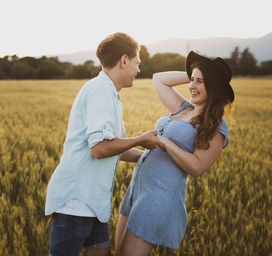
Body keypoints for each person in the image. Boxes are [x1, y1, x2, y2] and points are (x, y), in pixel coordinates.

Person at [45, 32, 164, 256]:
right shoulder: (99, 91)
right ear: (124, 60)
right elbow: (100, 149)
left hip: (94, 206)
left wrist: (148, 156)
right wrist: (142, 138)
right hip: (76, 203)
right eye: (137, 63)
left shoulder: (110, 94)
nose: (138, 70)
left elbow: (118, 149)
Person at [115, 51, 235, 256]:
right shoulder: (184, 108)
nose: (191, 86)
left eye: (200, 82)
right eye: (192, 80)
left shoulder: (215, 125)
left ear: (213, 87)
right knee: (119, 252)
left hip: (157, 196)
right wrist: (196, 73)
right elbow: (159, 80)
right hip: (137, 190)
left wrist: (162, 141)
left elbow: (197, 167)